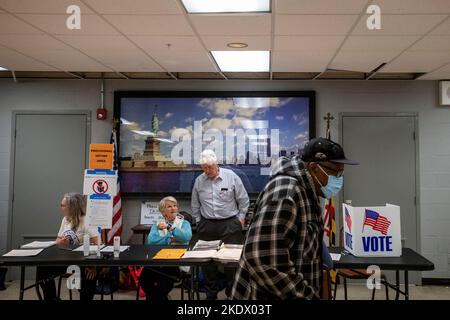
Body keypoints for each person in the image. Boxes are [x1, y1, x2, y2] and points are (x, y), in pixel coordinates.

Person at [231, 137, 358, 300]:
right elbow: (262, 260)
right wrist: (306, 296)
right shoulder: (286, 193)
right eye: (335, 172)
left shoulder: (307, 190)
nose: (339, 179)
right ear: (314, 167)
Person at [191, 149, 249, 300]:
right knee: (207, 262)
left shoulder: (231, 177)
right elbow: (195, 204)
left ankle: (232, 293)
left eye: (210, 167)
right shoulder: (199, 180)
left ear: (217, 164)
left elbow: (243, 200)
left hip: (230, 224)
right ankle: (211, 294)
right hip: (207, 225)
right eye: (204, 167)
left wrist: (240, 219)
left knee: (231, 261)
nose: (207, 170)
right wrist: (198, 221)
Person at [35, 192, 101, 300]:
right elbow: (58, 240)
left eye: (63, 205)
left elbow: (99, 244)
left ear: (72, 207)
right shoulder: (65, 219)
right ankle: (52, 298)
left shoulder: (86, 220)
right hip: (66, 259)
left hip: (85, 260)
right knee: (43, 269)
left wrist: (93, 265)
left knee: (88, 274)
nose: (61, 208)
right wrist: (60, 243)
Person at [139, 196, 192, 301]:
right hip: (157, 261)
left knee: (163, 284)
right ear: (163, 212)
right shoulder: (157, 225)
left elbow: (186, 237)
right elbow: (152, 242)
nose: (173, 208)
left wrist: (169, 228)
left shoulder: (185, 223)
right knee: (144, 279)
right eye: (169, 207)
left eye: (175, 206)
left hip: (175, 262)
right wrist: (169, 238)